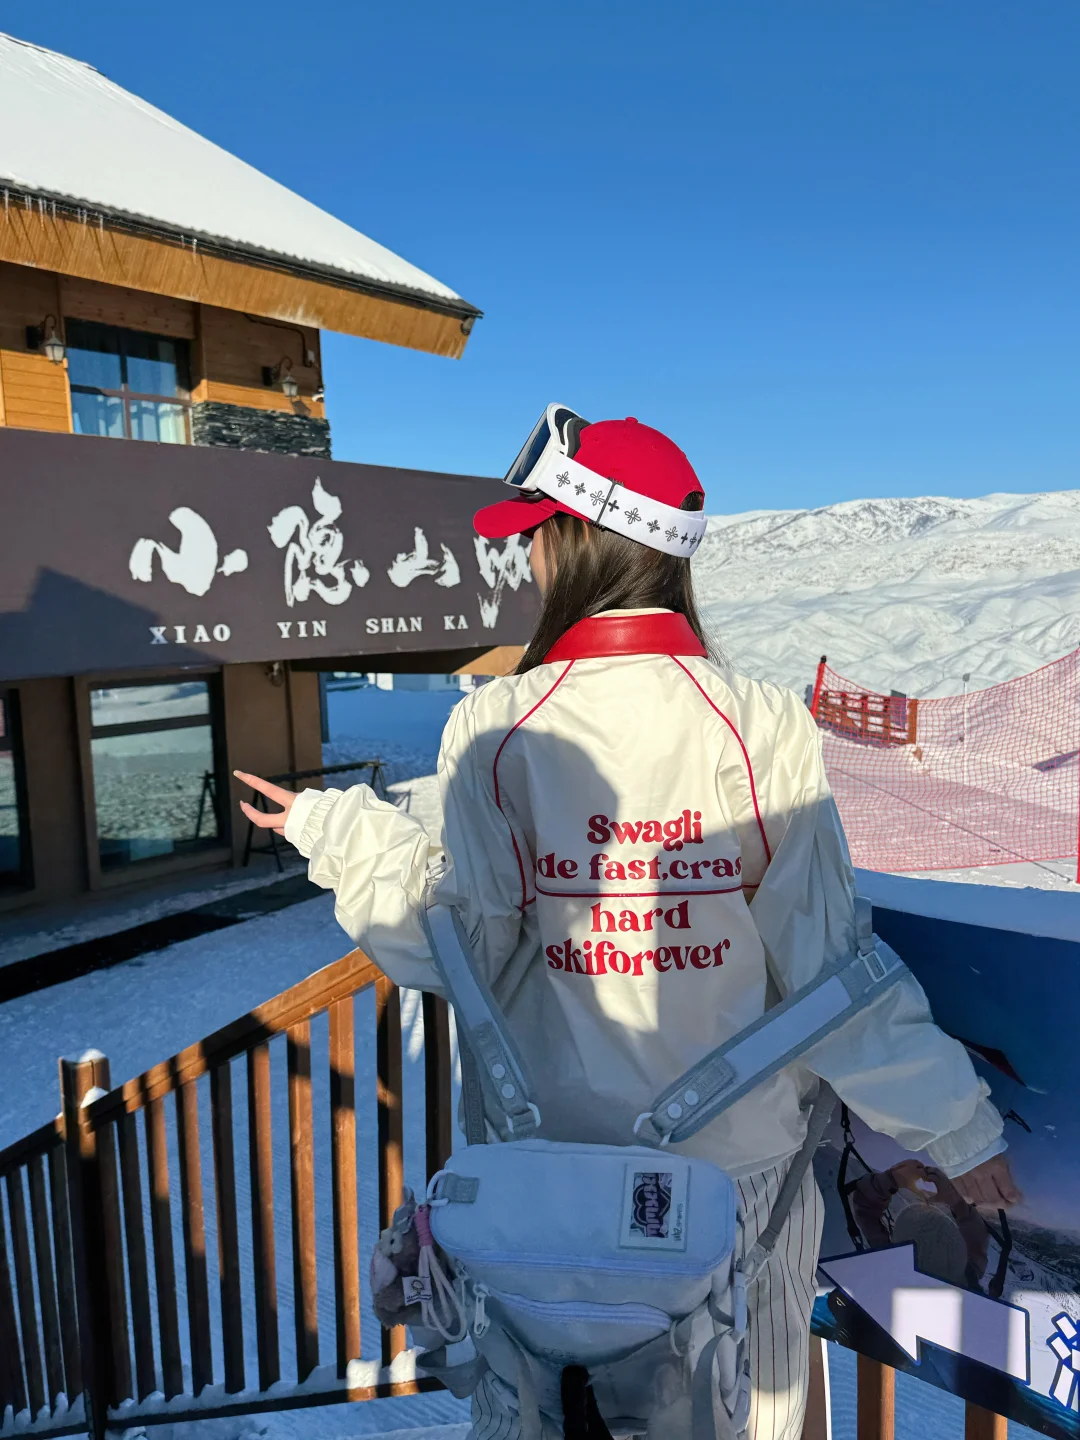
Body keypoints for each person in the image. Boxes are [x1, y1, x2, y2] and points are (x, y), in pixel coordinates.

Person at [236, 409, 1020, 1440]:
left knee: (541, 1413)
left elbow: (454, 946)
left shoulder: (495, 727)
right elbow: (827, 966)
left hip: (546, 1189)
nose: (526, 558)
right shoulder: (756, 723)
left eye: (535, 535)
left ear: (579, 540)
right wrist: (953, 1125)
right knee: (740, 1410)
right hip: (730, 1186)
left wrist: (336, 830)